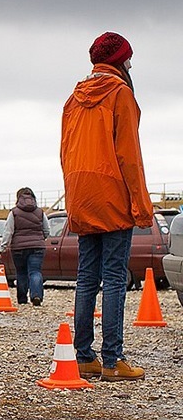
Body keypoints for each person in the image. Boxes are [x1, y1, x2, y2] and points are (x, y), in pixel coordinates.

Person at [60, 32, 152, 382]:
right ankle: (113, 360)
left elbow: (65, 152)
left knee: (87, 278)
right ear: (118, 61)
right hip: (112, 195)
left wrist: (73, 197)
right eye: (128, 58)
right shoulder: (120, 94)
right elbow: (130, 156)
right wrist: (141, 206)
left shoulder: (73, 98)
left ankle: (83, 357)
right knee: (114, 278)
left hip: (82, 194)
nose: (131, 64)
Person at [0, 187, 49, 306]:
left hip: (18, 248)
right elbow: (47, 230)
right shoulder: (40, 212)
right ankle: (36, 295)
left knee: (21, 273)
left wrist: (3, 247)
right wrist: (40, 239)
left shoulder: (14, 212)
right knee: (35, 271)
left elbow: (8, 231)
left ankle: (22, 299)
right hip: (37, 247)